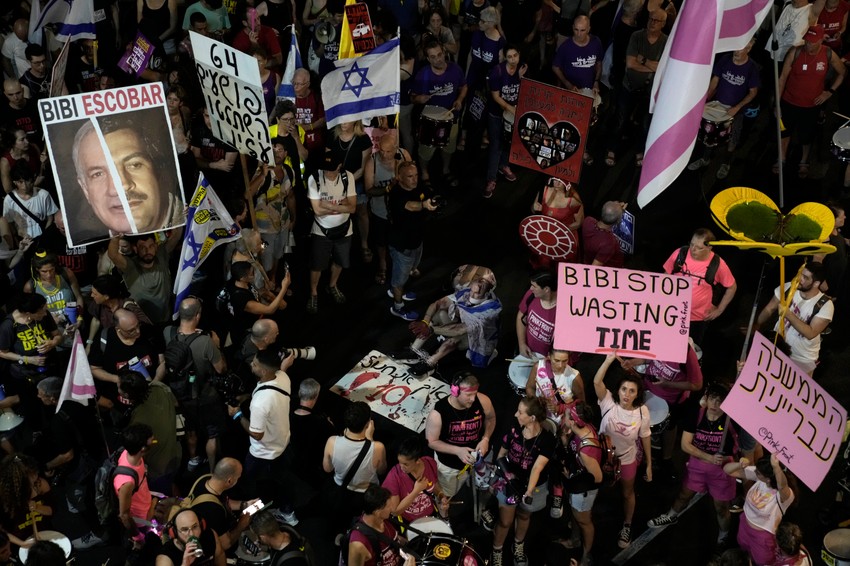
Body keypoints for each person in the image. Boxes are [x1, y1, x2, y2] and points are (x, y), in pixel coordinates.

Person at [647, 383, 738, 550]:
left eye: (720, 401)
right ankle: (671, 516)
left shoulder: (730, 421)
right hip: (697, 466)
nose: (715, 405)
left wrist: (724, 456)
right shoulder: (696, 414)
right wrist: (709, 457)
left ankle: (723, 535)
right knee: (683, 495)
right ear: (706, 398)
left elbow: (736, 448)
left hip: (722, 471)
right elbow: (685, 445)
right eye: (712, 399)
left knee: (721, 507)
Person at [72, 115, 184, 236]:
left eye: (134, 165)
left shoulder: (195, 224)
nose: (119, 187)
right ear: (85, 189)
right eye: (98, 174)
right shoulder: (97, 246)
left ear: (157, 170)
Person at [228, 349, 298, 525]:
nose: (252, 364)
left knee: (249, 485)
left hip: (262, 453)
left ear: (265, 370)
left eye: (255, 364)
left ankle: (250, 514)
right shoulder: (282, 377)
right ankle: (288, 512)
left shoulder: (260, 403)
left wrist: (237, 415)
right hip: (283, 444)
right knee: (281, 481)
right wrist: (247, 396)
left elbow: (257, 434)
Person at [593, 354, 652, 549]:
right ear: (618, 390)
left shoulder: (642, 412)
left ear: (637, 394)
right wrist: (609, 360)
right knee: (595, 487)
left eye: (632, 391)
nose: (627, 394)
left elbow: (645, 436)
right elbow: (597, 381)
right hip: (601, 457)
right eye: (624, 389)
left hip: (627, 459)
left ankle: (627, 525)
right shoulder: (608, 402)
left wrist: (649, 464)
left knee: (627, 493)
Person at [490, 396, 556, 566]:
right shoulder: (514, 430)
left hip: (531, 485)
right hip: (510, 482)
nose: (515, 414)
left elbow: (537, 468)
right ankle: (497, 549)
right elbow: (501, 456)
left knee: (524, 515)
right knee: (505, 521)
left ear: (532, 418)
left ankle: (518, 545)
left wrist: (528, 491)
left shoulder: (547, 440)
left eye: (520, 412)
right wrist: (506, 478)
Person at [165, 297, 227, 472]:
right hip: (205, 396)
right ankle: (213, 468)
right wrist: (217, 346)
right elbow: (221, 369)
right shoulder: (205, 342)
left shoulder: (168, 333)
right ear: (198, 316)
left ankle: (193, 460)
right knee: (212, 433)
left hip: (180, 395)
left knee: (190, 430)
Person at [776, 24, 845, 177]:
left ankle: (804, 160)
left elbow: (842, 73)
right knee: (784, 132)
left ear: (821, 40)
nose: (809, 44)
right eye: (807, 40)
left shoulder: (828, 54)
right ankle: (781, 159)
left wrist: (830, 92)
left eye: (813, 41)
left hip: (811, 105)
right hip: (789, 102)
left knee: (806, 136)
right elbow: (782, 78)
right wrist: (777, 103)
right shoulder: (795, 52)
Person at [686, 39, 759, 179]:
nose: (736, 52)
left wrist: (737, 108)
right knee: (710, 134)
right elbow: (715, 80)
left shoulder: (751, 68)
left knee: (733, 139)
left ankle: (726, 164)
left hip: (735, 111)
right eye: (735, 48)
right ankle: (705, 159)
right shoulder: (726, 59)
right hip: (717, 106)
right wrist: (705, 99)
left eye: (740, 49)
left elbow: (753, 92)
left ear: (749, 48)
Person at [405, 270, 502, 376]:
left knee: (456, 338)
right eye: (472, 290)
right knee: (439, 313)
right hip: (462, 326)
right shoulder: (467, 291)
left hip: (478, 338)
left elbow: (459, 330)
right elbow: (437, 304)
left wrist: (431, 329)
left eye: (477, 292)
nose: (472, 295)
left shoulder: (490, 310)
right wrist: (425, 322)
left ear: (488, 292)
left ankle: (430, 363)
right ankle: (413, 351)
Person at [604, 9, 668, 167]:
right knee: (621, 119)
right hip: (629, 86)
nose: (652, 22)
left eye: (657, 20)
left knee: (645, 124)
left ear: (663, 24)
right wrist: (653, 66)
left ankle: (640, 150)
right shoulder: (637, 36)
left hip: (650, 91)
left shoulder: (666, 42)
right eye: (651, 19)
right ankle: (612, 148)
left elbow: (664, 68)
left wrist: (643, 59)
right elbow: (631, 63)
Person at [424, 372, 497, 498]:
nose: (473, 399)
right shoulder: (438, 414)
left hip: (479, 456)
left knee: (481, 484)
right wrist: (457, 450)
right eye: (468, 395)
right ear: (455, 391)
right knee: (448, 493)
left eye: (475, 394)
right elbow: (431, 442)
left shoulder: (483, 400)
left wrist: (485, 438)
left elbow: (491, 419)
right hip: (451, 465)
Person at [755, 261, 833, 375]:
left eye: (805, 277)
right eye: (801, 274)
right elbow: (770, 308)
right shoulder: (788, 288)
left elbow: (811, 333)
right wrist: (757, 324)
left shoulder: (825, 305)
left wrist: (788, 314)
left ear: (816, 284)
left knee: (792, 391)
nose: (800, 279)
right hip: (778, 346)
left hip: (802, 358)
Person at [662, 228, 737, 345]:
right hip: (671, 313)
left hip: (697, 319)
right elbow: (665, 276)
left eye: (699, 247)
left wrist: (719, 309)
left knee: (690, 352)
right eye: (691, 244)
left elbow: (732, 287)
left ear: (709, 247)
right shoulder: (680, 253)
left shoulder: (717, 264)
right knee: (666, 344)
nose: (693, 250)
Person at [323, 401, 387, 534]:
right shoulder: (377, 447)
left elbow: (327, 469)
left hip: (340, 490)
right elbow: (382, 471)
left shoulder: (332, 442)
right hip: (365, 495)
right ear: (368, 424)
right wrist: (371, 440)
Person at [116, 371, 182, 495]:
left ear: (126, 394)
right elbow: (176, 403)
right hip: (175, 453)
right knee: (171, 485)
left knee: (162, 498)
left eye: (118, 386)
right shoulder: (159, 387)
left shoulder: (137, 420)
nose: (117, 387)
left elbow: (138, 449)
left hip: (157, 468)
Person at [306, 152, 357, 314]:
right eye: (325, 170)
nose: (327, 174)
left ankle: (332, 285)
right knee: (317, 265)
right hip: (321, 230)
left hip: (344, 229)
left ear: (339, 166)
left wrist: (329, 205)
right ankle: (314, 292)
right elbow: (317, 210)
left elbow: (353, 208)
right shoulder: (314, 178)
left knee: (340, 261)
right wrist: (341, 205)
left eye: (331, 170)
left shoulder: (347, 177)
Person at [411, 41, 467, 185]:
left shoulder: (455, 69)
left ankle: (446, 169)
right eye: (433, 56)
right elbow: (412, 97)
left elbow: (464, 86)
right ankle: (424, 172)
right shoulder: (423, 75)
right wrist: (419, 98)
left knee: (448, 147)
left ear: (444, 52)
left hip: (451, 117)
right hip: (429, 120)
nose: (438, 59)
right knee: (426, 151)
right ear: (428, 59)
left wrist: (459, 100)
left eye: (440, 54)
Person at [387, 161, 438, 321]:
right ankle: (398, 306)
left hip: (416, 241)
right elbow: (410, 206)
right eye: (410, 176)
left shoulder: (418, 188)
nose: (414, 179)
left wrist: (433, 200)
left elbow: (426, 195)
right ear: (399, 177)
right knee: (398, 280)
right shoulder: (396, 194)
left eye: (416, 175)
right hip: (402, 246)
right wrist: (424, 204)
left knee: (410, 270)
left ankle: (400, 289)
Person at [554, 402, 603, 566]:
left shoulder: (585, 451)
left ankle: (586, 556)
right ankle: (575, 540)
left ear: (574, 421)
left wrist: (572, 477)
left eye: (567, 416)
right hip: (577, 486)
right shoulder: (584, 429)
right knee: (576, 516)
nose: (564, 417)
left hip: (583, 491)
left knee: (584, 521)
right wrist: (566, 442)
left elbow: (597, 478)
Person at [723, 455, 794, 566]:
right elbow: (727, 470)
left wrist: (776, 467)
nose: (755, 471)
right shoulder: (760, 477)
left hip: (762, 538)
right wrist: (739, 464)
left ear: (768, 478)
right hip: (744, 526)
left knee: (763, 562)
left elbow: (782, 485)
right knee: (745, 556)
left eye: (758, 472)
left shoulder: (783, 496)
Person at [89, 308, 166, 407]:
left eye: (138, 325)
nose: (138, 331)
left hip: (152, 398)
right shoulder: (104, 340)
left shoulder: (149, 332)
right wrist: (117, 379)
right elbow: (94, 369)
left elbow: (162, 362)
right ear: (118, 329)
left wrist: (156, 382)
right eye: (131, 331)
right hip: (122, 404)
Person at [364, 131, 412, 285]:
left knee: (403, 240)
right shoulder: (372, 162)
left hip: (401, 211)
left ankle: (406, 266)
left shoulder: (404, 156)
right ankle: (383, 266)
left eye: (389, 151)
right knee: (381, 243)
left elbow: (413, 177)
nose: (384, 155)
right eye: (382, 150)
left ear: (396, 148)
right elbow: (369, 189)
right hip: (381, 211)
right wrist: (388, 189)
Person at [107, 231, 183, 326]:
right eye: (142, 247)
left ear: (155, 246)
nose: (147, 251)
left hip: (166, 319)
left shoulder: (161, 256)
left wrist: (179, 217)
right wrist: (115, 237)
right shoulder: (130, 266)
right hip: (142, 323)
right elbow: (113, 255)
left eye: (151, 246)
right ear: (135, 249)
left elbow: (175, 237)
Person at [184, 458, 256, 551]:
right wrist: (241, 524)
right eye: (238, 477)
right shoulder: (213, 510)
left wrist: (244, 504)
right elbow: (225, 544)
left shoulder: (205, 479)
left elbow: (221, 500)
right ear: (229, 481)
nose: (238, 480)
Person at [382, 435, 450, 529]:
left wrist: (441, 496)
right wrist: (416, 491)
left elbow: (434, 486)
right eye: (399, 462)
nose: (401, 467)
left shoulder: (430, 463)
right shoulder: (394, 476)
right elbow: (395, 511)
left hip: (430, 515)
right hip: (410, 523)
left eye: (406, 464)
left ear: (418, 460)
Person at [484, 44, 525, 197]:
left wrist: (521, 79)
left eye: (515, 56)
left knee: (509, 141)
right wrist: (509, 107)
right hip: (497, 113)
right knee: (496, 145)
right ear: (505, 57)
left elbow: (528, 89)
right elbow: (495, 96)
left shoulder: (523, 68)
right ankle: (491, 179)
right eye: (509, 57)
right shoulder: (498, 71)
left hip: (512, 113)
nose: (513, 60)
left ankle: (504, 166)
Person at [23, 252, 85, 350]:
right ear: (37, 269)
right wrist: (49, 319)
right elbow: (29, 315)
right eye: (44, 271)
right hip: (52, 336)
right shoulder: (31, 286)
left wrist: (79, 320)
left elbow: (79, 298)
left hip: (74, 330)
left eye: (51, 270)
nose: (49, 275)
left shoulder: (66, 274)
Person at [114, 423, 157, 554]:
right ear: (143, 449)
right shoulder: (126, 482)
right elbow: (124, 515)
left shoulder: (131, 452)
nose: (155, 441)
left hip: (146, 507)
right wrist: (138, 537)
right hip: (139, 521)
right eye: (152, 441)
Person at [347, 485, 416, 566]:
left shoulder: (384, 519)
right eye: (388, 506)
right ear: (377, 512)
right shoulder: (358, 544)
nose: (392, 508)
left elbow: (393, 538)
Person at [525, 348, 585, 426]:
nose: (560, 365)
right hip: (539, 415)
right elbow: (530, 387)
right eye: (556, 360)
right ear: (549, 356)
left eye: (565, 361)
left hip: (560, 421)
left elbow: (581, 404)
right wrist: (537, 401)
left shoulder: (574, 377)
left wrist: (560, 408)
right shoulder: (538, 367)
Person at [3, 162, 57, 240]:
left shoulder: (43, 195)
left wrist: (45, 235)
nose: (24, 186)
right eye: (20, 182)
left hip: (42, 236)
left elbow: (50, 218)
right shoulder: (9, 199)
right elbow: (9, 223)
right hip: (22, 238)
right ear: (15, 182)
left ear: (32, 179)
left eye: (27, 180)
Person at [156, 508, 227, 565]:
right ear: (174, 533)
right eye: (185, 529)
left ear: (202, 525)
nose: (192, 534)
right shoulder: (164, 558)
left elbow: (220, 556)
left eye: (195, 527)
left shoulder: (210, 535)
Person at [516, 270, 558, 358]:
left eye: (534, 286)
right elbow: (521, 316)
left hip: (548, 360)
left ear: (546, 289)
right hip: (528, 352)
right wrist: (522, 344)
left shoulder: (561, 311)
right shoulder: (531, 295)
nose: (531, 288)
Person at [581, 201, 625, 267]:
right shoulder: (609, 243)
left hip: (586, 258)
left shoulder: (588, 221)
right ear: (618, 221)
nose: (617, 202)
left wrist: (616, 208)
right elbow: (594, 267)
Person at [1, 128, 43, 195]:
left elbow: (42, 170)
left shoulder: (34, 148)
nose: (27, 142)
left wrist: (45, 162)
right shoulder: (5, 161)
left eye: (26, 138)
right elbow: (8, 189)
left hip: (40, 191)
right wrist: (33, 186)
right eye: (22, 139)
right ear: (12, 143)